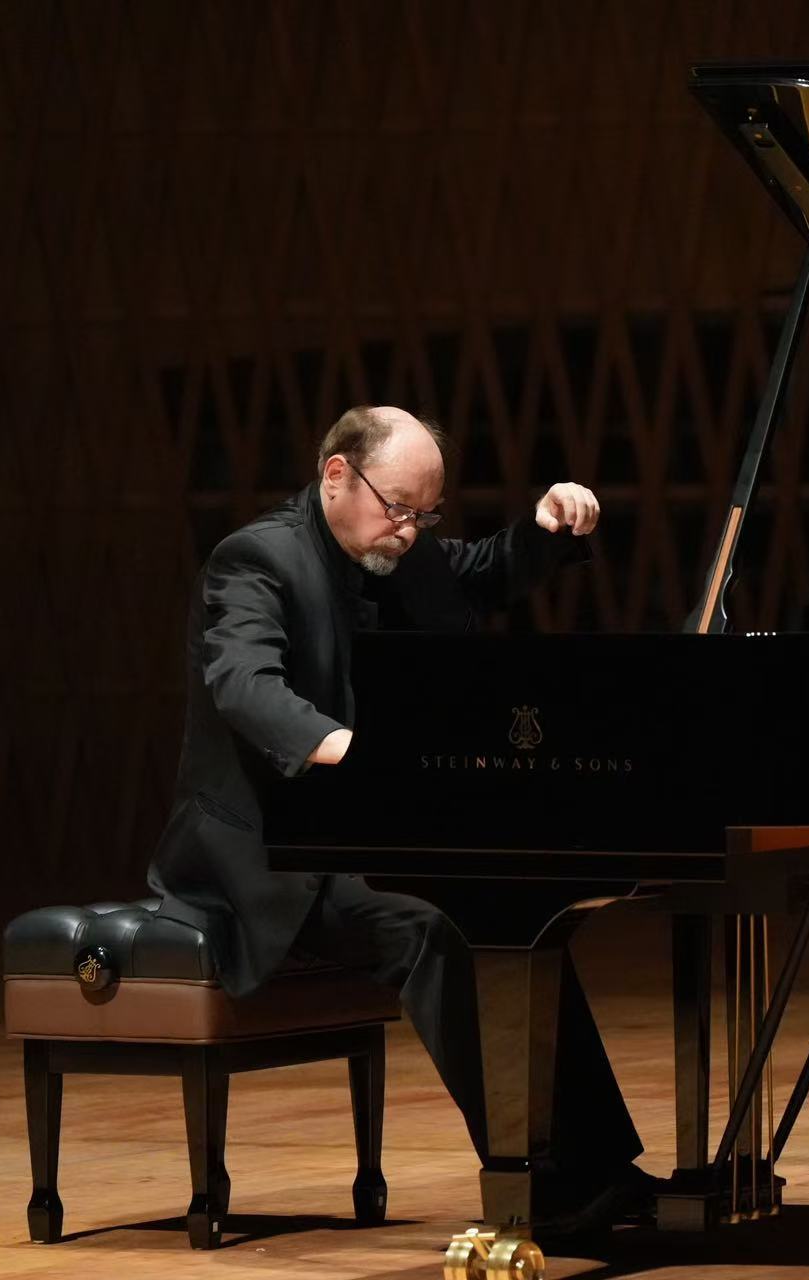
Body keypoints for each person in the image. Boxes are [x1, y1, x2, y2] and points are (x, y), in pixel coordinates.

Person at [147, 404, 649, 1224]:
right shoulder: (255, 560)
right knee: (436, 928)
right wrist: (350, 750)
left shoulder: (393, 550)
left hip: (358, 844)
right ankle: (533, 1177)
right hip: (267, 861)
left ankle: (603, 1167)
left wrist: (545, 526)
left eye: (426, 514)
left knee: (519, 916)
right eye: (399, 507)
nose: (411, 530)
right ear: (336, 475)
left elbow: (481, 571)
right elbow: (242, 683)